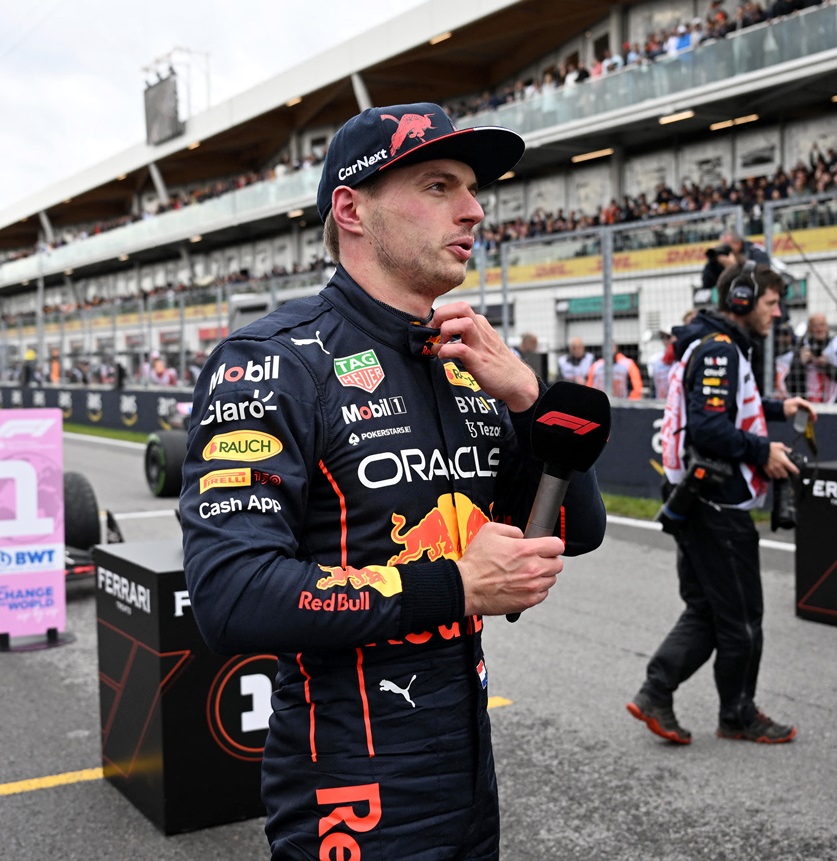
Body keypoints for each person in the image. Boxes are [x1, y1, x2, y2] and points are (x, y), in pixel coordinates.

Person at [179, 102, 606, 860]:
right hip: (350, 779)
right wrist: (458, 586)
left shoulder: (469, 366)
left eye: (472, 189)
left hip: (468, 769)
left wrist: (529, 402)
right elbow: (231, 593)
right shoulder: (274, 358)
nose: (474, 210)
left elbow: (575, 530)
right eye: (439, 185)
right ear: (351, 208)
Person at [628, 262, 816, 746]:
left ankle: (656, 692)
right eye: (772, 303)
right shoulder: (720, 350)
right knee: (743, 620)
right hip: (715, 502)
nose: (778, 313)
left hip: (699, 499)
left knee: (707, 611)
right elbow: (709, 427)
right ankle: (737, 715)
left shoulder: (717, 346)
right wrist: (763, 451)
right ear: (743, 300)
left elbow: (720, 409)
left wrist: (780, 409)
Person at [786, 312, 837, 403]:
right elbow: (790, 383)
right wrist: (800, 364)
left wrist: (826, 366)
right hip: (806, 404)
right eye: (815, 326)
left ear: (827, 327)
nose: (819, 329)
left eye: (822, 325)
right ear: (809, 329)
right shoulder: (802, 346)